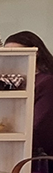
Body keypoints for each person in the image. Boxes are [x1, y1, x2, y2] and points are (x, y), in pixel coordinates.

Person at [4, 30, 53, 161]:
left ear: (35, 54)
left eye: (16, 54)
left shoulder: (47, 82)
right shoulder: (14, 81)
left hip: (36, 155)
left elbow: (41, 125)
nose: (11, 59)